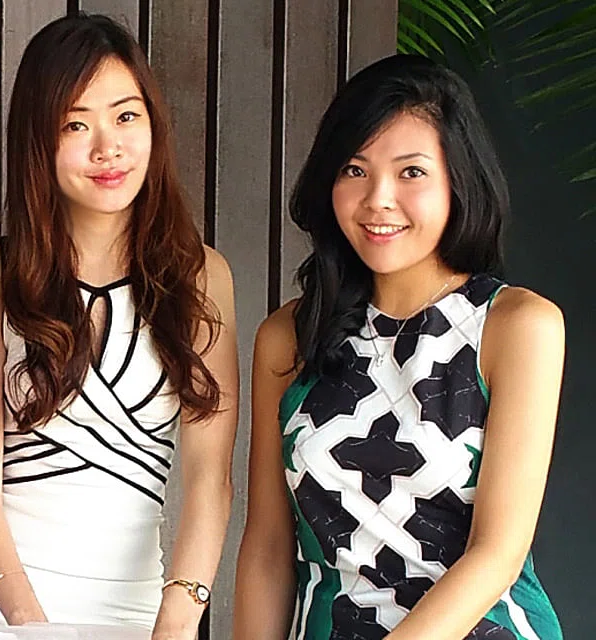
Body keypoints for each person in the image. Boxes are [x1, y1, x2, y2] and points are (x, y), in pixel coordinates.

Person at [234, 54, 564, 639]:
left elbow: (497, 555)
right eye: (355, 170)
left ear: (459, 181)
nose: (378, 199)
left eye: (411, 172)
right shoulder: (289, 337)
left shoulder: (517, 325)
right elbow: (267, 548)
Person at [0, 12, 238, 639]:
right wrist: (32, 627)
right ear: (38, 141)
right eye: (75, 124)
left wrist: (177, 623)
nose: (108, 148)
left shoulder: (202, 276)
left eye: (126, 117)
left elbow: (210, 479)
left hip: (138, 613)